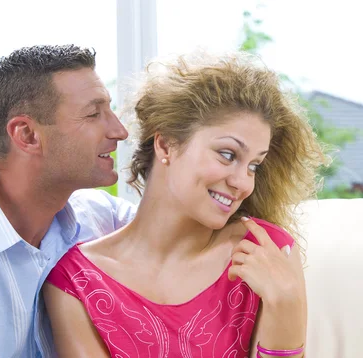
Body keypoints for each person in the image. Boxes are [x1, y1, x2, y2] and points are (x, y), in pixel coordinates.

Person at [43, 51, 326, 357]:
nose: (243, 183)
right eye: (228, 155)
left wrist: (287, 306)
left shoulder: (265, 253)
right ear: (166, 144)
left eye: (254, 166)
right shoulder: (76, 282)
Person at [0, 45, 136, 357]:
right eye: (93, 114)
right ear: (26, 135)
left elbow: (186, 227)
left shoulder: (103, 219)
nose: (119, 131)